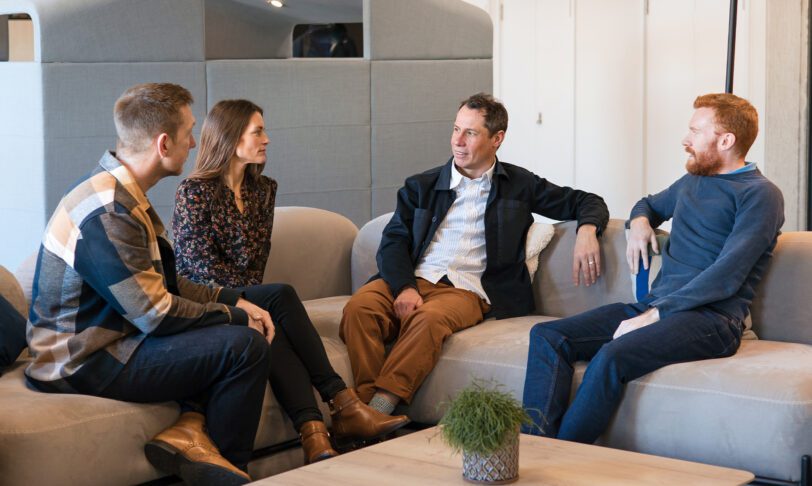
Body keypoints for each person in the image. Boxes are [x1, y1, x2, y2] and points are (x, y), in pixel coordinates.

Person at [25, 83, 271, 485]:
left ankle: (196, 434)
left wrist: (236, 303)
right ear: (163, 144)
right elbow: (156, 314)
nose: (194, 143)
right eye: (189, 132)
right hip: (80, 360)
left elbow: (164, 285)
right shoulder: (108, 211)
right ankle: (226, 472)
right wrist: (232, 315)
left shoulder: (123, 194)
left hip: (119, 339)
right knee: (244, 346)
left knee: (242, 323)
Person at [521, 93, 784, 443]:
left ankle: (564, 459)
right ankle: (534, 447)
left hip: (712, 320)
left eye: (695, 131)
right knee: (548, 336)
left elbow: (727, 275)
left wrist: (654, 316)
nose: (685, 140)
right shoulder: (693, 181)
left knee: (612, 356)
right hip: (657, 307)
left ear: (725, 140)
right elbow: (647, 203)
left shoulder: (760, 195)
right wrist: (640, 222)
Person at [340, 93, 610, 415]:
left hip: (467, 289)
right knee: (359, 308)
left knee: (428, 320)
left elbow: (587, 201)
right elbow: (393, 242)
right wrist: (404, 287)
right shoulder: (420, 186)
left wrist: (587, 230)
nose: (458, 141)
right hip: (413, 277)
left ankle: (378, 410)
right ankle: (366, 414)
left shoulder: (519, 185)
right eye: (456, 129)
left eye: (470, 133)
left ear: (497, 139)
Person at [172, 99, 409, 463]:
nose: (267, 139)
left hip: (249, 295)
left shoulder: (262, 189)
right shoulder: (194, 192)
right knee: (279, 297)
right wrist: (249, 301)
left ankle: (315, 435)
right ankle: (341, 402)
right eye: (258, 132)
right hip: (205, 300)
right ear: (232, 138)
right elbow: (200, 270)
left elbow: (256, 264)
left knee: (271, 328)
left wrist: (254, 305)